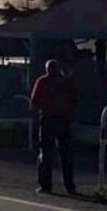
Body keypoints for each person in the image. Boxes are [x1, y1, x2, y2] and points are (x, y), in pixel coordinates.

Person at [31, 59, 79, 195]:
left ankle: (45, 185)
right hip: (64, 119)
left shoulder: (42, 81)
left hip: (48, 118)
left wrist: (43, 107)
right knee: (66, 154)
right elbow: (74, 99)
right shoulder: (66, 82)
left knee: (46, 153)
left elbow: (34, 100)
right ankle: (70, 186)